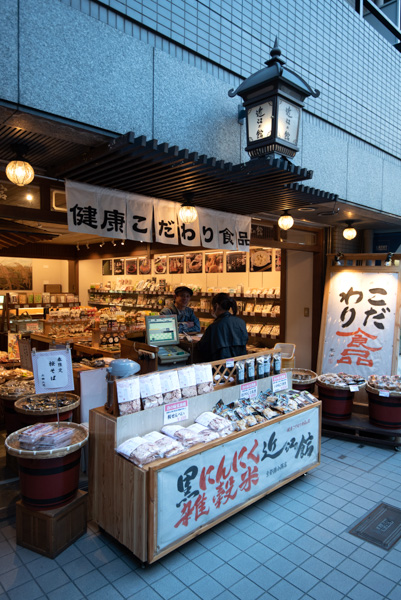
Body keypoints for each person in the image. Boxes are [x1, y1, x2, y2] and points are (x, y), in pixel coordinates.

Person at [195, 293, 248, 362]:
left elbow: (203, 347)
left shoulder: (214, 326)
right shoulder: (241, 322)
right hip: (239, 364)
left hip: (221, 366)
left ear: (216, 306)